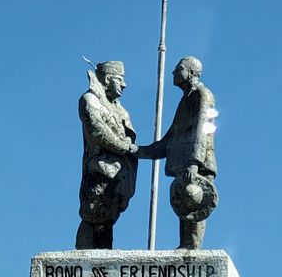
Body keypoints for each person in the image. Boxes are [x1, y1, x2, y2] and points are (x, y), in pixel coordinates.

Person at [136, 56, 218, 249]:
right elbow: (170, 139)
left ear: (191, 73)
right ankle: (186, 246)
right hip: (187, 167)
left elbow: (202, 130)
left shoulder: (202, 95)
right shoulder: (185, 100)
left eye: (178, 68)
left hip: (197, 168)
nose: (173, 72)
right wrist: (139, 151)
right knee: (184, 208)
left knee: (193, 202)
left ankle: (191, 248)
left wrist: (194, 162)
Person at [76, 61, 138, 249]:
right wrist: (123, 146)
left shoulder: (121, 110)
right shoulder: (90, 100)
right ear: (108, 79)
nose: (124, 85)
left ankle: (102, 261)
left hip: (118, 175)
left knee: (107, 220)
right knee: (93, 215)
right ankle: (84, 261)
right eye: (120, 79)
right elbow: (97, 130)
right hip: (98, 171)